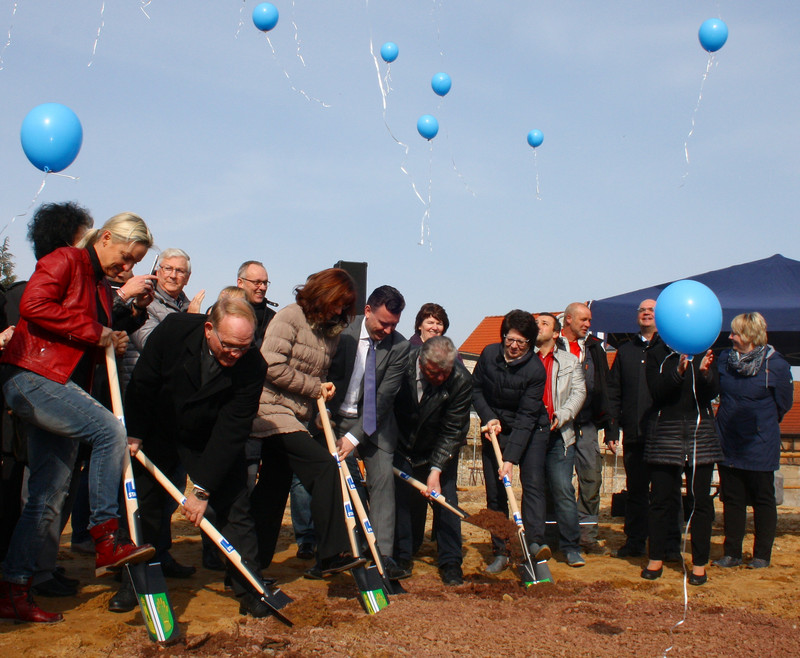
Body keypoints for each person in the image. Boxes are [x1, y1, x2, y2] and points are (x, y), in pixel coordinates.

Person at [0, 212, 156, 623]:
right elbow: (34, 305)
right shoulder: (66, 260)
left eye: (135, 264)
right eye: (125, 258)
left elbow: (92, 331)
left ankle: (14, 588)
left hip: (63, 386)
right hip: (32, 377)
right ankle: (105, 535)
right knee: (110, 431)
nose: (128, 269)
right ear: (104, 238)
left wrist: (114, 336)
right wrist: (94, 331)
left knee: (47, 498)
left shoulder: (102, 286)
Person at [126, 298, 275, 617]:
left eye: (244, 347)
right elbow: (143, 383)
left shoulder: (252, 366)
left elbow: (232, 430)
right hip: (160, 427)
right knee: (146, 507)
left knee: (235, 507)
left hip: (210, 436)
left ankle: (250, 587)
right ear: (209, 329)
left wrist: (202, 489)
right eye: (230, 345)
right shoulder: (173, 332)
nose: (236, 354)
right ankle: (136, 585)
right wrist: (135, 431)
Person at [249, 268, 365, 576]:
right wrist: (315, 388)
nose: (341, 310)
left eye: (345, 306)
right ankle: (331, 552)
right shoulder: (289, 317)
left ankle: (249, 567)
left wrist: (320, 402)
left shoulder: (329, 332)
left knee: (273, 489)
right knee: (325, 468)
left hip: (299, 416)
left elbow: (318, 374)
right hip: (272, 412)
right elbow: (269, 364)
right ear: (324, 294)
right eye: (339, 303)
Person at [326, 285, 410, 579]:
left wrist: (354, 437)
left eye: (394, 325)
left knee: (383, 481)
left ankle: (383, 555)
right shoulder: (340, 332)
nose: (387, 330)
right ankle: (340, 550)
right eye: (383, 323)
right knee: (335, 483)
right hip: (334, 418)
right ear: (367, 312)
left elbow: (384, 398)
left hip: (375, 422)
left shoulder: (399, 347)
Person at [713, 313, 793, 569]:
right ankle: (732, 553)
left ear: (749, 335)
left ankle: (761, 555)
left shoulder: (777, 365)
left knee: (762, 500)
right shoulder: (724, 360)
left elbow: (784, 403)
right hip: (728, 441)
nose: (730, 336)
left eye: (735, 333)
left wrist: (760, 424)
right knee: (733, 500)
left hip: (760, 443)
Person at [472, 309, 550, 574]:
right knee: (495, 493)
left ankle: (535, 544)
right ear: (503, 336)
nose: (515, 346)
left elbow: (528, 416)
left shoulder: (535, 370)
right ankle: (501, 551)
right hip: (495, 428)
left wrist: (510, 459)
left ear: (530, 343)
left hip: (531, 429)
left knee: (533, 484)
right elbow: (476, 388)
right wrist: (489, 417)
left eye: (522, 342)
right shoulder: (488, 355)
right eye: (510, 339)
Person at [392, 336, 472, 585]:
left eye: (444, 373)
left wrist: (436, 470)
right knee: (402, 502)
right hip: (401, 443)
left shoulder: (460, 380)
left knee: (446, 502)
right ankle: (402, 556)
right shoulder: (401, 362)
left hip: (438, 447)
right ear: (421, 362)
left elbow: (453, 430)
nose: (439, 378)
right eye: (433, 373)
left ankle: (450, 562)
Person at [642, 339, 722, 586]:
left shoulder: (705, 351)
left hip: (701, 433)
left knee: (700, 501)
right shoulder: (656, 354)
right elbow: (656, 392)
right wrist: (677, 373)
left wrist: (706, 374)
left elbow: (712, 393)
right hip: (666, 432)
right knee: (661, 499)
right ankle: (656, 558)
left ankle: (699, 563)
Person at [606, 299, 662, 558]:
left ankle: (665, 545)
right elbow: (614, 392)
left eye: (651, 310)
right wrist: (612, 430)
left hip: (664, 435)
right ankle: (635, 542)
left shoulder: (671, 349)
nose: (646, 313)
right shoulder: (625, 351)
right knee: (637, 491)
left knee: (663, 493)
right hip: (634, 434)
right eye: (642, 310)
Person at [560, 302, 612, 553]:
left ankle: (587, 536)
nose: (588, 325)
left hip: (588, 425)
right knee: (558, 483)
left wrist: (611, 427)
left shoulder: (595, 349)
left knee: (591, 481)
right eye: (584, 320)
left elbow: (606, 387)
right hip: (557, 427)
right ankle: (558, 535)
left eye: (589, 320)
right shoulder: (552, 345)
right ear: (568, 319)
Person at [534, 313, 587, 567]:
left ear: (556, 333)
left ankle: (570, 546)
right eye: (536, 323)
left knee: (562, 489)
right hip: (532, 436)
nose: (538, 326)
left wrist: (563, 415)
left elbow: (579, 392)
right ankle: (538, 543)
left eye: (544, 323)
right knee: (535, 491)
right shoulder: (525, 359)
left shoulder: (569, 361)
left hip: (560, 435)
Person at [237, 260, 276, 347]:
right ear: (240, 283)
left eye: (265, 283)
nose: (262, 287)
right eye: (257, 282)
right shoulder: (225, 312)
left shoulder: (274, 319)